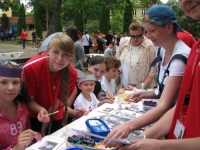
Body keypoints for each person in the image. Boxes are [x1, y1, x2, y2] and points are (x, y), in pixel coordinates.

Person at [104, 4, 200, 149]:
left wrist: (130, 128)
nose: (147, 37)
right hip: (174, 124)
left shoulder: (182, 56)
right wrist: (144, 93)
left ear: (169, 28)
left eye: (152, 31)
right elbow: (171, 96)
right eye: (146, 32)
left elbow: (167, 104)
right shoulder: (163, 50)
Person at [22, 34, 78, 135]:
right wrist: (41, 110)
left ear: (71, 56)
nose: (60, 58)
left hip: (55, 113)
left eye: (66, 54)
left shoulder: (72, 73)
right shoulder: (31, 68)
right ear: (48, 51)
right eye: (56, 52)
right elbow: (28, 100)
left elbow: (58, 101)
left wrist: (44, 128)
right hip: (33, 114)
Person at [0, 60, 48, 150]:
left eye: (15, 82)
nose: (11, 88)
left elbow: (28, 133)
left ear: (21, 86)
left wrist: (35, 136)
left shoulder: (22, 106)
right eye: (3, 82)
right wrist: (16, 148)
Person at [67, 56, 114, 123]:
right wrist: (76, 114)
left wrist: (105, 101)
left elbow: (96, 104)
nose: (98, 74)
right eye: (96, 70)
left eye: (102, 72)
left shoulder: (97, 85)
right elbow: (64, 108)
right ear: (89, 66)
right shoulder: (76, 84)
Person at [116, 20, 157, 89]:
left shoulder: (149, 46)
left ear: (143, 33)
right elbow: (117, 57)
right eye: (133, 36)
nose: (135, 39)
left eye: (138, 36)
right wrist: (117, 68)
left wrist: (144, 84)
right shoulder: (124, 42)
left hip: (141, 86)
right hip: (124, 85)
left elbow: (154, 67)